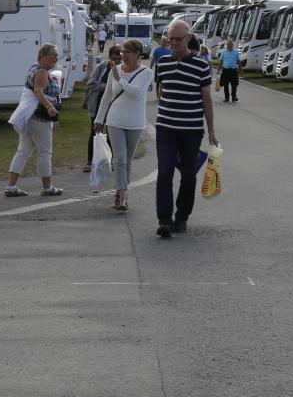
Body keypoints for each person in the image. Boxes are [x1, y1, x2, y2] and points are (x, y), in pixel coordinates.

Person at [151, 19, 219, 238]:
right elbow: (161, 90)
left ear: (188, 38)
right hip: (166, 127)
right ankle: (164, 220)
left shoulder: (201, 65)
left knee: (188, 175)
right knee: (165, 172)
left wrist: (211, 131)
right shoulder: (163, 62)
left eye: (178, 39)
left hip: (191, 129)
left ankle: (181, 217)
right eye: (171, 39)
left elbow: (206, 99)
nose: (174, 43)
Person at [95, 38, 153, 213]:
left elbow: (137, 92)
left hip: (135, 122)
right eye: (122, 52)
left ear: (137, 54)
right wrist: (99, 119)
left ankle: (121, 189)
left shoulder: (146, 73)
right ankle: (122, 195)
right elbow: (107, 97)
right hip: (115, 120)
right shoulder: (116, 70)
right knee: (119, 159)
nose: (124, 55)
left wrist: (119, 79)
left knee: (127, 161)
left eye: (128, 52)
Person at [5, 43, 64, 197]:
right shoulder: (42, 71)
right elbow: (38, 91)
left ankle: (11, 186)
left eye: (57, 55)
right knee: (45, 152)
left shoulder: (35, 67)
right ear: (43, 56)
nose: (56, 58)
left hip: (28, 117)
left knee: (23, 151)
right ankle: (47, 187)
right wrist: (50, 107)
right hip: (39, 117)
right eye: (53, 55)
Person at [81, 44, 121, 172]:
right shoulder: (102, 67)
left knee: (112, 135)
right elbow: (91, 83)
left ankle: (108, 161)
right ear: (110, 57)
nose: (117, 61)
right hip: (98, 105)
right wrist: (108, 87)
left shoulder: (123, 69)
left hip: (114, 107)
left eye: (119, 58)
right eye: (114, 58)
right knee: (94, 132)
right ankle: (90, 161)